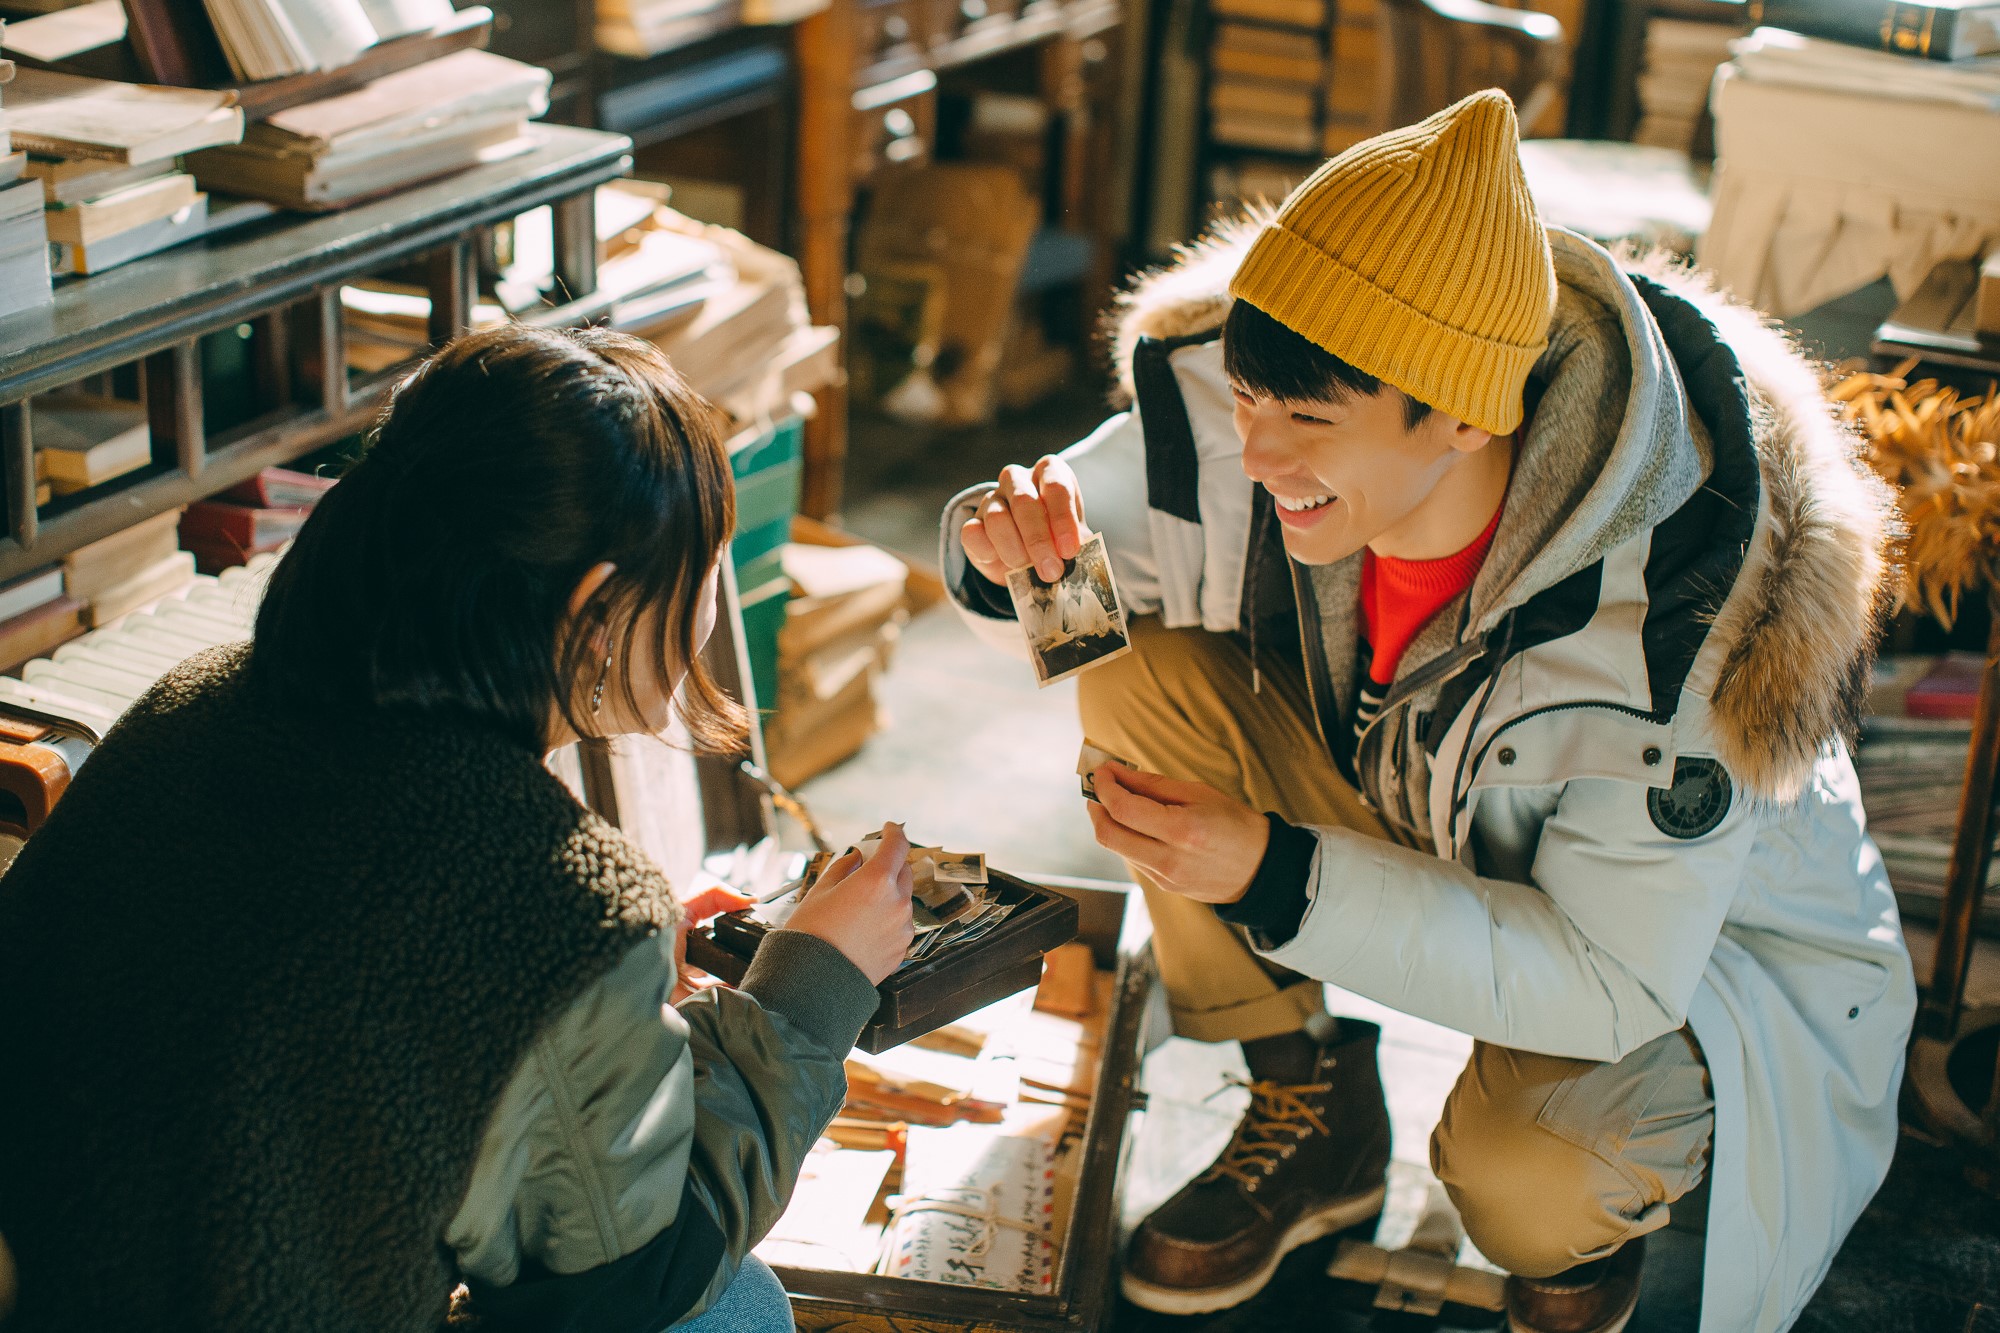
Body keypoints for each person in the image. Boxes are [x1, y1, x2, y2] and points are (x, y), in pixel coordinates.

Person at [943, 91, 1914, 1333]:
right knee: (1135, 671)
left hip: (1686, 961)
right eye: (1247, 400)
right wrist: (1010, 546)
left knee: (1528, 1171)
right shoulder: (1285, 405)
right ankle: (1310, 1111)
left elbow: (1610, 980)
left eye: (1305, 423)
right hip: (1429, 797)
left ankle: (1574, 1279)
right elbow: (1093, 522)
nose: (1259, 450)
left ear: (1467, 413)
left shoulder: (1684, 622)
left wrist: (1272, 873)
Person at [0, 324, 915, 1333]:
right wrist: (806, 994)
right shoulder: (555, 903)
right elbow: (622, 1289)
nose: (708, 598)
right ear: (597, 609)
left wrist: (616, 1013)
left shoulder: (195, 703)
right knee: (731, 1312)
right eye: (701, 567)